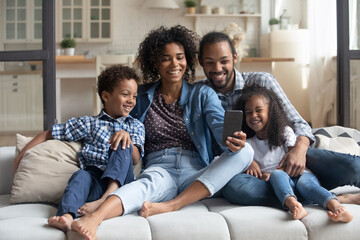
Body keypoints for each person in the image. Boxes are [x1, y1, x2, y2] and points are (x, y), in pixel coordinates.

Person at [70, 25, 253, 240]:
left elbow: (221, 128)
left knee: (246, 151)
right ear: (155, 62)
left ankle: (173, 205)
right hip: (160, 169)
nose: (174, 64)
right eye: (166, 58)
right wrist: (122, 133)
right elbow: (111, 119)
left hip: (197, 173)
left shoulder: (202, 93)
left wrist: (233, 142)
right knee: (142, 187)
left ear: (188, 60)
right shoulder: (141, 96)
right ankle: (95, 218)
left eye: (180, 57)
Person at [198, 31, 360, 207]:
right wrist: (244, 161)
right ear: (201, 63)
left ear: (235, 58)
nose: (217, 68)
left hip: (284, 153)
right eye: (210, 62)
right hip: (253, 171)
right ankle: (324, 197)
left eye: (224, 61)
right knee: (236, 189)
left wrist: (299, 150)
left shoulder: (262, 81)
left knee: (353, 167)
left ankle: (308, 188)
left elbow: (298, 122)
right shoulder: (200, 94)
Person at [14, 65, 145, 232]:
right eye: (125, 95)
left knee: (121, 141)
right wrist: (21, 156)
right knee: (80, 175)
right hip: (95, 180)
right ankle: (67, 217)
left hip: (121, 184)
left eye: (134, 96)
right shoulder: (89, 123)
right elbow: (48, 134)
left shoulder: (135, 125)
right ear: (106, 96)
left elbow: (135, 158)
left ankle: (106, 200)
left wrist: (125, 137)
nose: (131, 101)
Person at [239, 84, 353, 222]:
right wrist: (252, 166)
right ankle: (295, 206)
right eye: (248, 112)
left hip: (300, 173)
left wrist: (271, 173)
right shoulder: (249, 143)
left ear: (271, 112)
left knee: (306, 185)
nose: (253, 115)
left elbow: (293, 156)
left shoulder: (285, 132)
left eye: (258, 110)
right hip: (279, 182)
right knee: (277, 175)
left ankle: (337, 208)